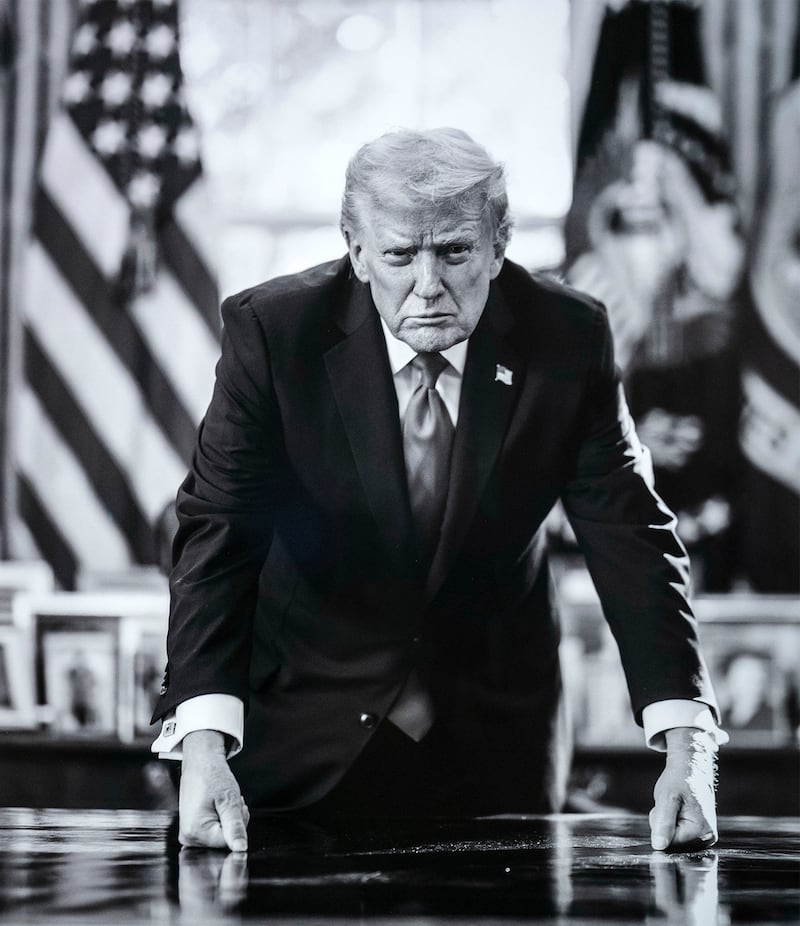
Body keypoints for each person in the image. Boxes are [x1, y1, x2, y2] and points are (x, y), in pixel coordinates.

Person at [152, 128, 726, 853]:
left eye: (454, 251)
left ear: (498, 242)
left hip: (495, 741)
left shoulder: (568, 337)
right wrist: (202, 743)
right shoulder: (273, 333)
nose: (428, 285)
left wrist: (689, 747)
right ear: (357, 253)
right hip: (299, 732)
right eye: (399, 255)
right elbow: (217, 532)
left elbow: (632, 537)